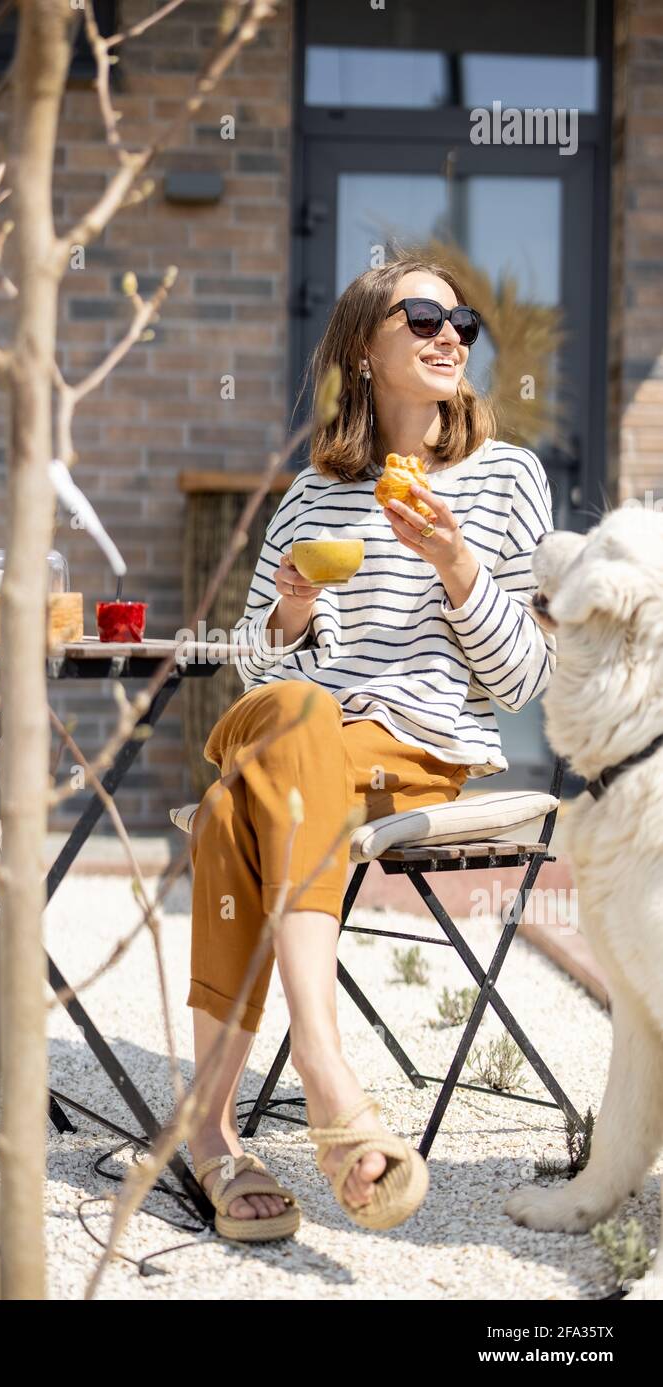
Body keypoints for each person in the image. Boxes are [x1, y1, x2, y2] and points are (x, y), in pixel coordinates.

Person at [186, 256, 557, 1242]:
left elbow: (526, 680)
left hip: (416, 754)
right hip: (306, 740)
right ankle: (319, 1071)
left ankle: (220, 1126)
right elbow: (247, 672)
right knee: (296, 717)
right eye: (422, 316)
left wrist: (459, 566)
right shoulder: (312, 498)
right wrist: (292, 615)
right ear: (363, 346)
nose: (449, 335)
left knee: (236, 805)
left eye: (462, 321)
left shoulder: (506, 479)